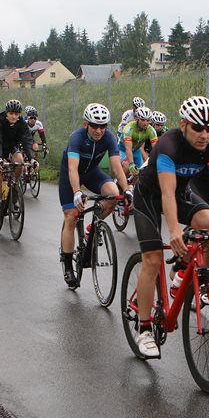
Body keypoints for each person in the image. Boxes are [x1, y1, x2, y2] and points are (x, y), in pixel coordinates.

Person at [130, 96, 209, 359]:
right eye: (198, 128)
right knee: (152, 261)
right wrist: (174, 230)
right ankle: (144, 329)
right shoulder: (168, 145)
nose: (204, 135)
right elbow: (166, 191)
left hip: (180, 193)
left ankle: (185, 271)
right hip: (150, 195)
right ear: (183, 125)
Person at [59, 103, 131, 288]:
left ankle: (93, 227)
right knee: (71, 217)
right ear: (86, 124)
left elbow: (116, 166)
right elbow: (73, 168)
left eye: (103, 126)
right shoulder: (76, 138)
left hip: (91, 173)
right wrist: (76, 192)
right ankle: (68, 265)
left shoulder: (108, 137)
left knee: (114, 195)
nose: (99, 130)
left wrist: (127, 189)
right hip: (71, 175)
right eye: (94, 126)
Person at [0, 99, 34, 229]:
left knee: (19, 160)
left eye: (16, 113)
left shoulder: (21, 124)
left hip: (12, 149)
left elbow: (27, 139)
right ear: (7, 113)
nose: (14, 116)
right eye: (11, 113)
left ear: (19, 114)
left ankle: (14, 187)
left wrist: (31, 159)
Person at [119, 107, 157, 174]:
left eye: (148, 120)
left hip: (136, 150)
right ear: (136, 119)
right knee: (127, 166)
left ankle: (134, 184)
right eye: (142, 120)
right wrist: (131, 164)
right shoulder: (129, 128)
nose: (145, 123)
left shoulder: (151, 130)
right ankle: (119, 183)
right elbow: (128, 149)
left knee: (141, 171)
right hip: (122, 149)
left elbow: (156, 148)